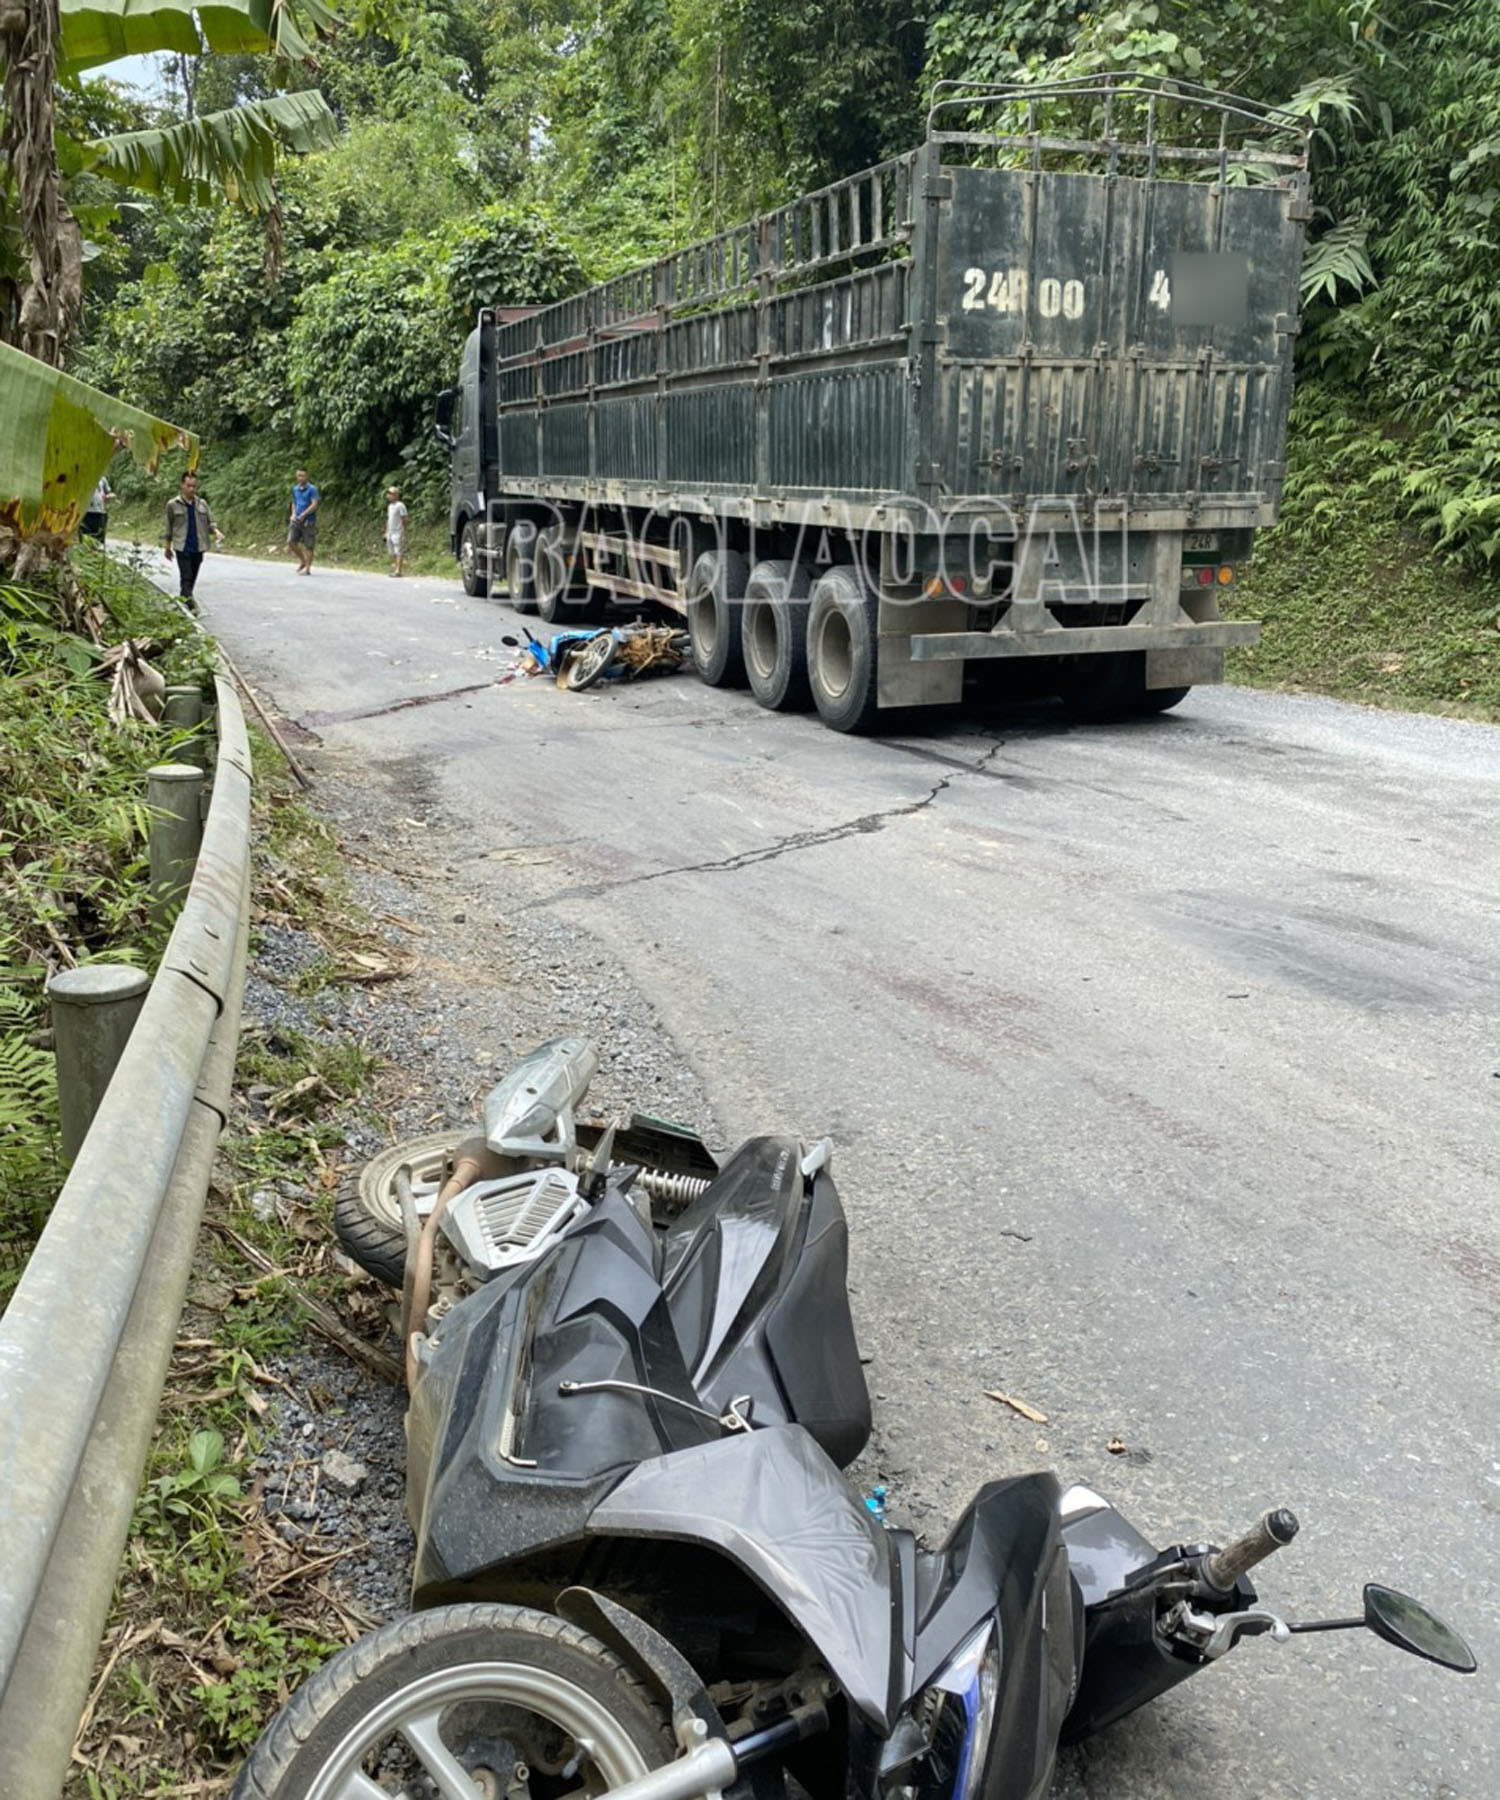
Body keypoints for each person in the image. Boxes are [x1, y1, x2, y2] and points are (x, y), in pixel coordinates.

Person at [162, 470, 223, 607]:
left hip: (199, 545)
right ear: (182, 485)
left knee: (193, 576)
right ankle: (191, 605)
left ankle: (184, 600)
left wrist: (216, 531)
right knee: (186, 576)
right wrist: (167, 546)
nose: (191, 489)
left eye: (194, 486)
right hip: (181, 546)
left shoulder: (202, 504)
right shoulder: (172, 504)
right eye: (188, 486)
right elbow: (168, 526)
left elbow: (210, 522)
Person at [288, 468, 320, 574]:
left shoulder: (312, 489)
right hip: (296, 519)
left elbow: (314, 504)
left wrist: (304, 514)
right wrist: (293, 514)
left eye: (303, 476)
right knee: (291, 542)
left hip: (308, 521)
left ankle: (307, 569)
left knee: (309, 545)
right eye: (298, 475)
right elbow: (294, 502)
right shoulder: (295, 489)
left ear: (307, 476)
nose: (300, 478)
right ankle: (303, 560)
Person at [80, 474, 113, 542]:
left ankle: (96, 550)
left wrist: (108, 497)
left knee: (98, 538)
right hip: (85, 513)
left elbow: (109, 494)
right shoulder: (82, 477)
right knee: (85, 539)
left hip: (99, 512)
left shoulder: (102, 478)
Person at [384, 485, 408, 577]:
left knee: (398, 550)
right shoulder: (390, 506)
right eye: (388, 493)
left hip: (398, 531)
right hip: (390, 531)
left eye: (390, 494)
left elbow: (404, 518)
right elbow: (388, 519)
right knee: (392, 551)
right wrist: (386, 531)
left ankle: (398, 571)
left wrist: (402, 530)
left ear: (395, 495)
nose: (388, 495)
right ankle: (396, 568)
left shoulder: (400, 505)